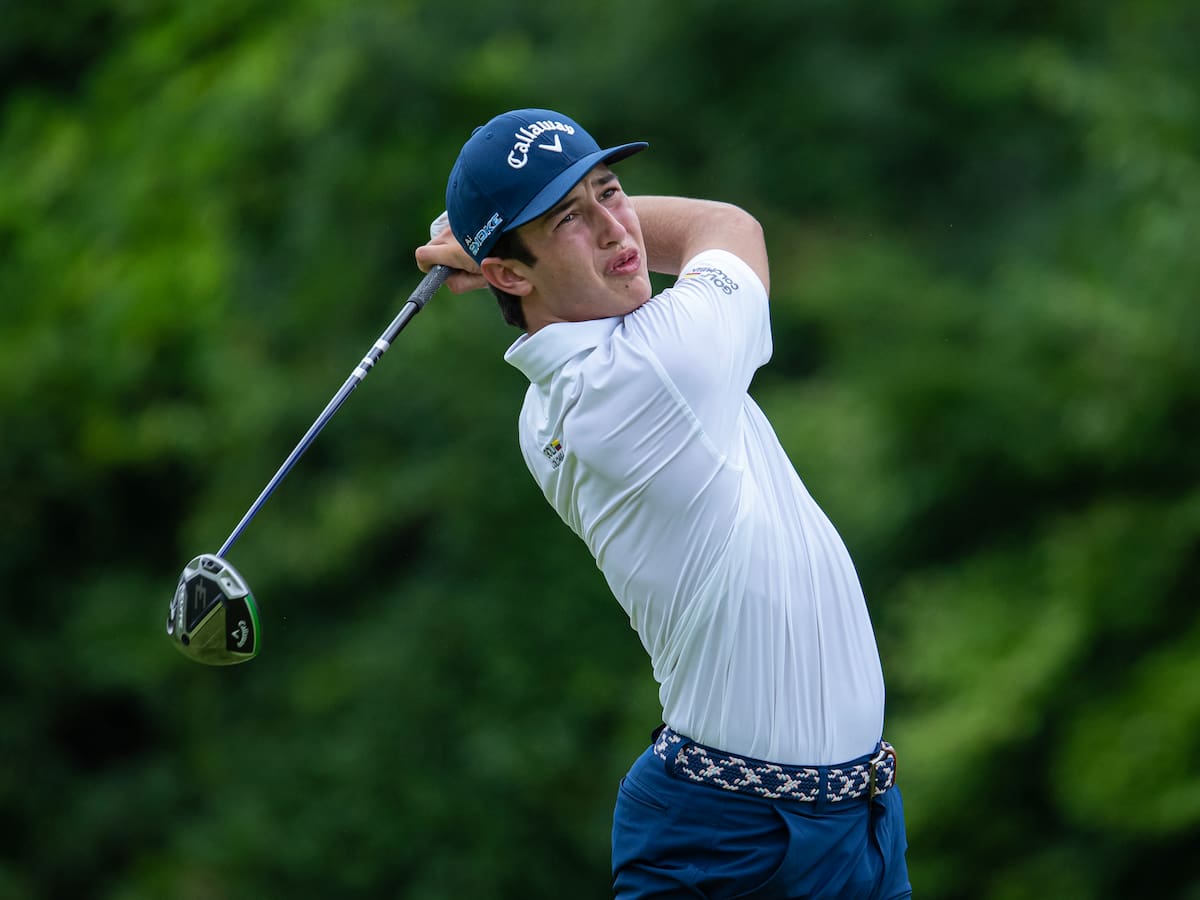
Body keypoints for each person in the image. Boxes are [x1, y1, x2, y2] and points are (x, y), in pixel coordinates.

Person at [416, 107, 911, 899]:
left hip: (848, 825)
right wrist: (493, 246)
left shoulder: (551, 400)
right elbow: (724, 224)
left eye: (612, 192)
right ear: (508, 276)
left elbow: (617, 261)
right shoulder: (655, 368)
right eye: (570, 219)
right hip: (731, 847)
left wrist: (522, 242)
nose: (619, 229)